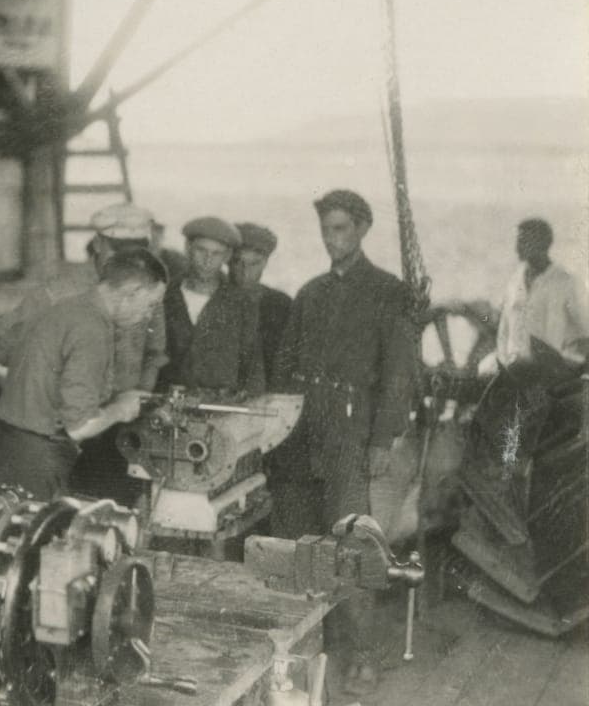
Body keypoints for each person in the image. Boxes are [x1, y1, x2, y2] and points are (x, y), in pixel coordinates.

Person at [271, 189, 416, 697]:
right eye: (326, 229)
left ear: (361, 229)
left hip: (351, 440)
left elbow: (400, 376)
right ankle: (297, 653)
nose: (332, 239)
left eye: (341, 229)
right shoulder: (310, 294)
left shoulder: (389, 292)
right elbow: (286, 369)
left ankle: (363, 658)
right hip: (301, 437)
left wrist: (381, 442)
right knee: (296, 547)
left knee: (353, 552)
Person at [0, 248, 168, 501]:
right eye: (150, 305)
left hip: (12, 449)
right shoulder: (91, 329)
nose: (148, 316)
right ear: (130, 293)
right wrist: (121, 408)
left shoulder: (72, 307)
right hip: (35, 462)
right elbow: (79, 427)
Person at [0, 202, 167, 392]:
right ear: (97, 244)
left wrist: (140, 397)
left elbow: (154, 354)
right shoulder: (58, 291)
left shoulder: (149, 291)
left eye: (137, 252)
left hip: (125, 413)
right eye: (117, 250)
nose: (125, 261)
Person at [159, 217, 263, 396]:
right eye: (201, 250)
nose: (208, 260)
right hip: (165, 408)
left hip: (220, 410)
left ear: (227, 256)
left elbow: (252, 367)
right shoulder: (163, 296)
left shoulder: (242, 304)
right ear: (187, 248)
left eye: (216, 254)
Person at [491, 218, 589, 370]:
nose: (517, 248)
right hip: (512, 368)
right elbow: (503, 329)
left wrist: (573, 362)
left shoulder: (565, 282)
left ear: (542, 244)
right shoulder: (515, 280)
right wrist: (502, 360)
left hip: (546, 373)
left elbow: (584, 329)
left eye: (523, 242)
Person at [231, 222, 292, 389]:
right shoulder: (216, 297)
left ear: (265, 262)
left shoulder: (281, 304)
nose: (245, 271)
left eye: (254, 264)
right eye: (238, 262)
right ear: (228, 261)